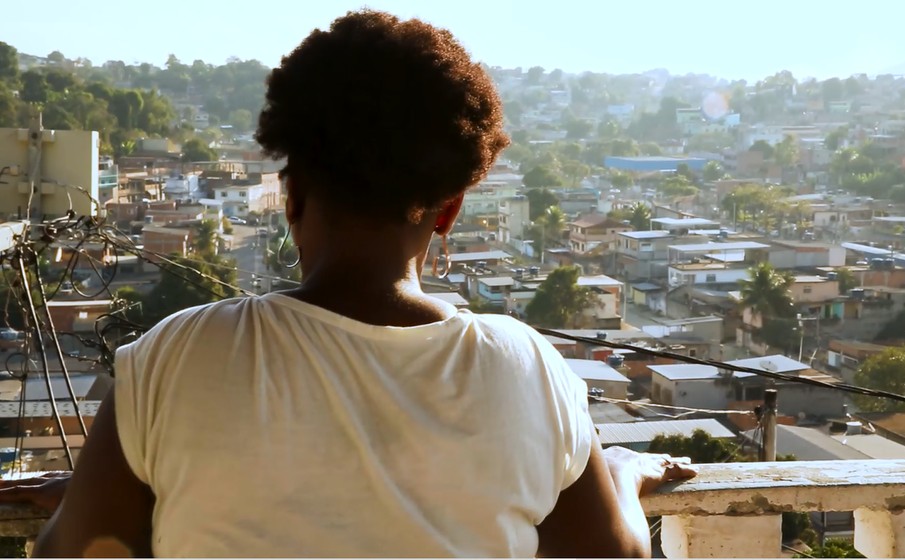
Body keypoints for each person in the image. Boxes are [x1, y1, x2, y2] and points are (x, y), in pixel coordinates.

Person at [20, 10, 695, 558]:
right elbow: (615, 552)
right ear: (450, 211)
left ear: (291, 197)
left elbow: (73, 552)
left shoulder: (176, 357)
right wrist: (623, 471)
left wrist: (105, 490)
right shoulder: (527, 369)